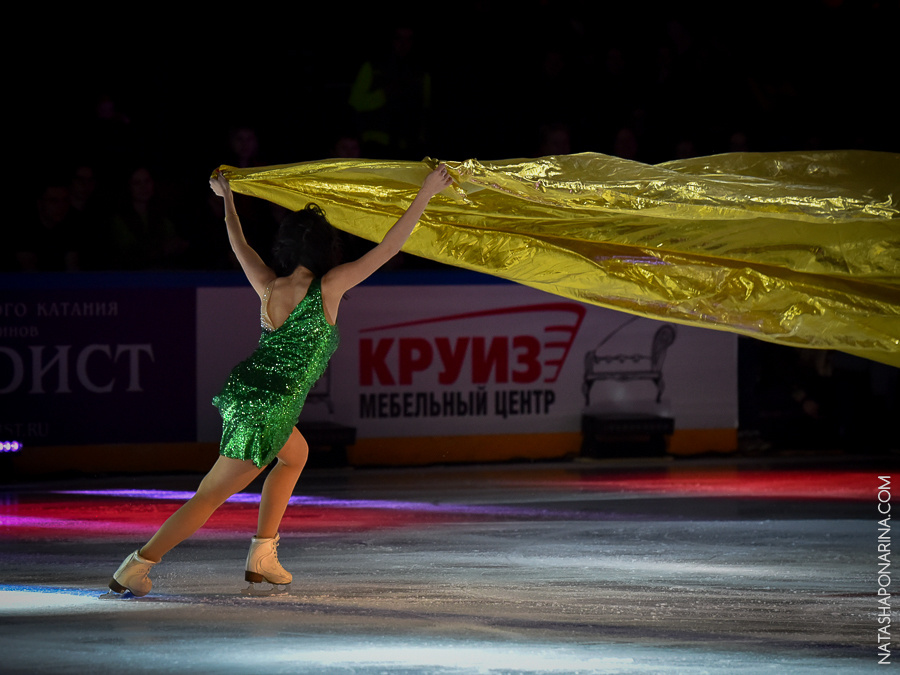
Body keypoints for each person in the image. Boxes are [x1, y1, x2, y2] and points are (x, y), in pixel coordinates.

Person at [109, 163, 453, 596]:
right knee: (210, 495)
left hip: (248, 392)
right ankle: (138, 565)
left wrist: (227, 200)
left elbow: (240, 246)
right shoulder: (328, 287)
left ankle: (262, 554)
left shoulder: (269, 286)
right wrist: (426, 192)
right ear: (329, 248)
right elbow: (388, 247)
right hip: (267, 407)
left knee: (295, 455)